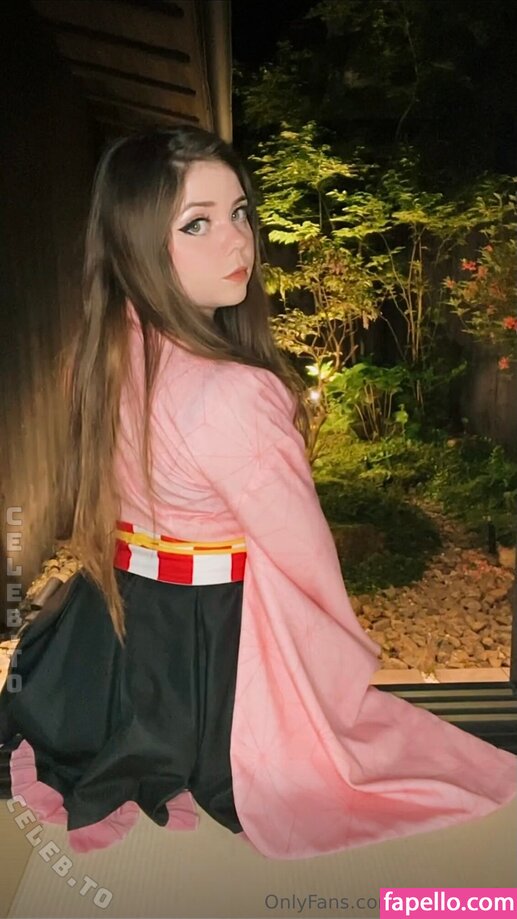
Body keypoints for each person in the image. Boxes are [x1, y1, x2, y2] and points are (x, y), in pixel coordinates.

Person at [0, 126, 515, 858]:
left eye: (240, 211)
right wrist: (340, 653)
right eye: (197, 222)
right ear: (136, 243)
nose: (237, 240)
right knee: (356, 764)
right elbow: (304, 559)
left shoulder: (106, 346)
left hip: (121, 627)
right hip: (213, 642)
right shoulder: (235, 392)